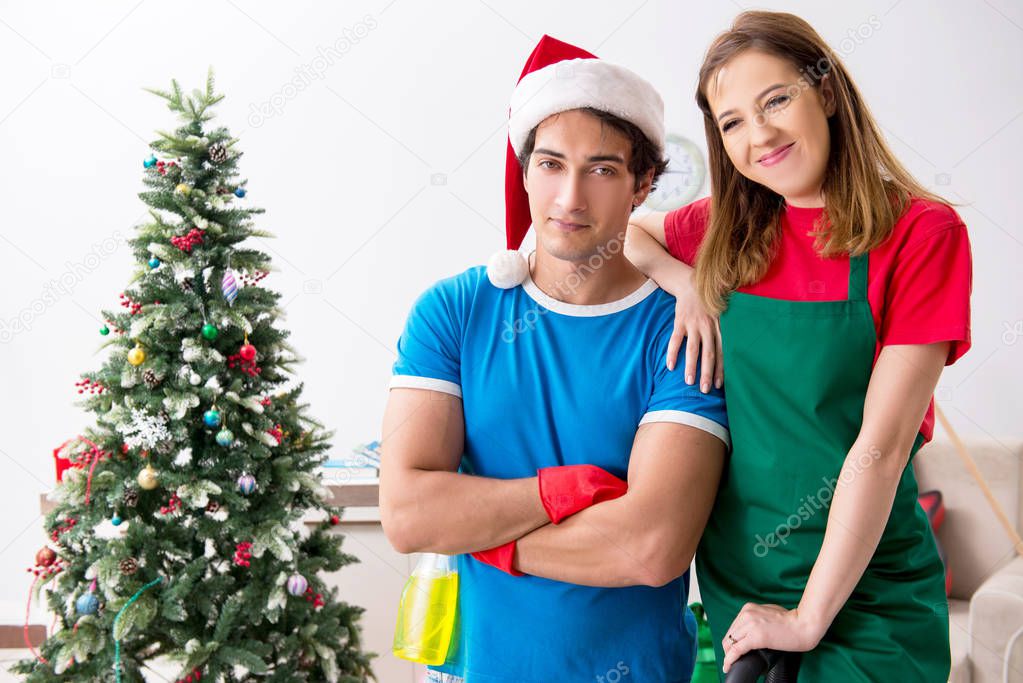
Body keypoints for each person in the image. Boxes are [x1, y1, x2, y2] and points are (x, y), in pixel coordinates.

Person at [624, 11, 972, 681]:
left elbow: (882, 445)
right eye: (731, 123)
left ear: (828, 94)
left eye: (775, 99)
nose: (759, 135)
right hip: (742, 583)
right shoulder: (724, 231)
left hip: (868, 588)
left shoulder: (922, 233)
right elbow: (633, 232)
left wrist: (808, 617)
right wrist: (686, 281)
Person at [380, 35, 730, 682]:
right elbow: (406, 514)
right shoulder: (454, 311)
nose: (569, 197)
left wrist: (484, 535)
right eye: (549, 164)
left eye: (600, 169)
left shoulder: (682, 331)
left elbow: (649, 547)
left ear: (642, 183)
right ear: (523, 170)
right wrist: (556, 491)